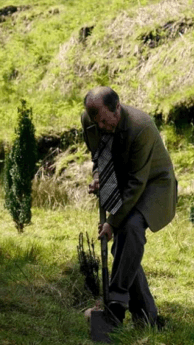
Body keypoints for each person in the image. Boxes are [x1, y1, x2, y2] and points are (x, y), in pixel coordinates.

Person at [81, 86, 177, 327]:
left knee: (131, 227)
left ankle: (115, 308)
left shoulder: (141, 127)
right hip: (124, 180)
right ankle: (148, 318)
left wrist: (112, 222)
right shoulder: (90, 119)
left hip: (153, 184)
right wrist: (98, 177)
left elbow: (137, 183)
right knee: (125, 249)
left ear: (118, 107)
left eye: (105, 120)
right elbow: (98, 157)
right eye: (96, 122)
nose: (101, 126)